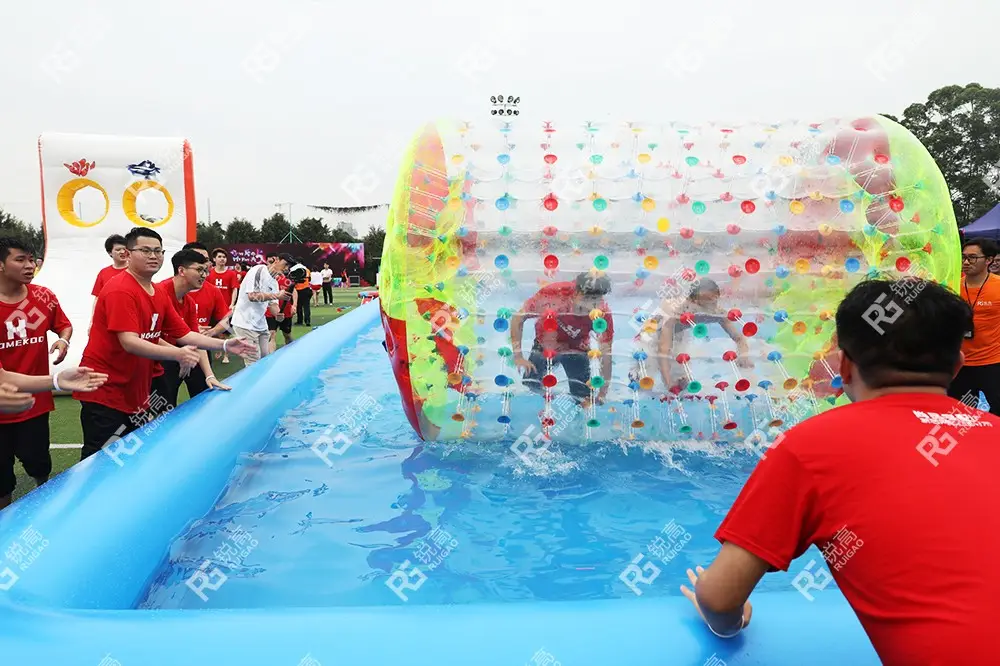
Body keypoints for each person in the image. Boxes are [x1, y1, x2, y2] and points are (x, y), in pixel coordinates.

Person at [679, 277, 1000, 665]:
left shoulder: (811, 446)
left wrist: (728, 622)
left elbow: (718, 599)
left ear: (844, 367)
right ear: (958, 365)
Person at [75, 228, 254, 460]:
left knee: (128, 455)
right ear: (128, 254)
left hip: (134, 389)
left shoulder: (157, 292)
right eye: (145, 250)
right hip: (105, 389)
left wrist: (225, 345)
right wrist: (178, 354)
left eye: (158, 251)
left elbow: (185, 334)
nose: (153, 256)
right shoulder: (121, 289)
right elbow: (129, 342)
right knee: (99, 457)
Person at [0, 237, 107, 508]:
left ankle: (45, 506)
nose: (30, 265)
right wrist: (57, 380)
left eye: (31, 259)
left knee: (39, 464)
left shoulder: (43, 296)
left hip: (35, 404)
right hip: (2, 407)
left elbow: (64, 325)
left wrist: (63, 340)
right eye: (20, 259)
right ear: (1, 265)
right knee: (2, 482)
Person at [510, 272, 614, 407]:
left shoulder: (602, 314)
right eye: (586, 300)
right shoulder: (554, 295)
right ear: (576, 293)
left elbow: (606, 353)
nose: (590, 307)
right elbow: (518, 318)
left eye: (596, 300)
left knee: (583, 398)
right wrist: (518, 356)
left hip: (576, 348)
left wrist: (603, 393)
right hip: (545, 344)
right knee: (531, 385)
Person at [150, 250, 231, 411]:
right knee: (162, 410)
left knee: (204, 396)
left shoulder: (189, 302)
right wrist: (179, 354)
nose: (204, 275)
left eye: (205, 269)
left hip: (186, 351)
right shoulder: (158, 293)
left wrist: (210, 375)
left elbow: (194, 337)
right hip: (159, 357)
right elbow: (149, 336)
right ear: (181, 270)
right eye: (199, 269)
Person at [645, 279, 752, 390]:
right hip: (652, 332)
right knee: (645, 376)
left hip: (678, 333)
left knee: (682, 382)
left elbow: (739, 338)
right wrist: (668, 383)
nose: (713, 305)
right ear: (694, 301)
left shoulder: (716, 311)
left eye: (715, 300)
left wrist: (743, 355)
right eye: (709, 301)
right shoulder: (675, 313)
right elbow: (663, 350)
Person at [948, 239, 1000, 414]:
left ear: (989, 260)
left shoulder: (998, 286)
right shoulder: (953, 286)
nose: (966, 262)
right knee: (960, 413)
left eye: (972, 258)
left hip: (993, 362)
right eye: (963, 257)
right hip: (961, 363)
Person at [230, 252, 295, 366]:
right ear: (276, 260)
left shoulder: (274, 282)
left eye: (289, 266)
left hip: (261, 324)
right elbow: (252, 296)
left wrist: (278, 314)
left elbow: (273, 306)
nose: (286, 268)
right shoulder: (259, 270)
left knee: (265, 361)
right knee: (253, 363)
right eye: (285, 264)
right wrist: (277, 295)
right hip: (245, 323)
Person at [91, 234, 129, 309]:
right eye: (118, 250)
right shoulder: (103, 273)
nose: (122, 252)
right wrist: (93, 316)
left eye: (125, 249)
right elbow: (97, 298)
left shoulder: (136, 270)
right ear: (110, 253)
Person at [266, 265, 297, 353]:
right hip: (270, 312)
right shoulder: (267, 281)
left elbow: (294, 291)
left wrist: (294, 305)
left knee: (287, 335)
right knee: (272, 335)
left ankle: (290, 354)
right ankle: (271, 358)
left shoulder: (286, 280)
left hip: (285, 312)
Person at [295, 260, 312, 326]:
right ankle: (307, 320)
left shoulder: (294, 269)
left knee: (299, 306)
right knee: (306, 306)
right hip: (306, 289)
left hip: (298, 290)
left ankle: (300, 321)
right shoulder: (307, 270)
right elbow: (309, 279)